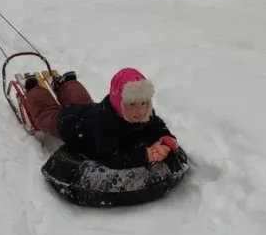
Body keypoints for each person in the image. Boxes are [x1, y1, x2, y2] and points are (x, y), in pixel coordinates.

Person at [24, 67, 179, 169]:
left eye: (143, 103)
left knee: (82, 101)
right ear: (120, 103)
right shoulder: (105, 123)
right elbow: (110, 156)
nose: (139, 111)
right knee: (48, 115)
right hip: (71, 125)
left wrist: (165, 138)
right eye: (132, 104)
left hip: (89, 112)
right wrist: (143, 155)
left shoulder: (146, 112)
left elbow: (156, 126)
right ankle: (34, 90)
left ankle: (67, 83)